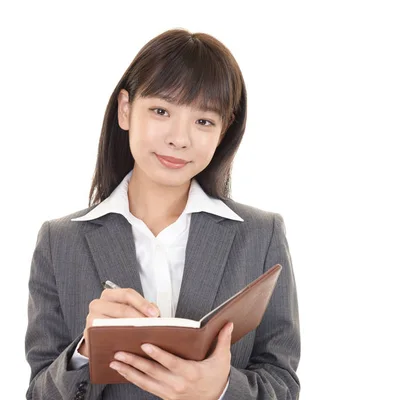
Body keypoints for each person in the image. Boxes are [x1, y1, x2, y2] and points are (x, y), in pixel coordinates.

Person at [24, 28, 300, 399]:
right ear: (125, 110)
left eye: (203, 121)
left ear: (224, 130)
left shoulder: (260, 235)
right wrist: (86, 350)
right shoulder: (60, 243)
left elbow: (282, 385)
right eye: (160, 111)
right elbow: (39, 394)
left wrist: (219, 388)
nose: (179, 138)